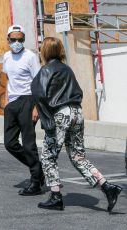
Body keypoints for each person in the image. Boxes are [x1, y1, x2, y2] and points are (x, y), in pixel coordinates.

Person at [31, 37, 122, 212]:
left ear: (44, 52)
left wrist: (48, 123)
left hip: (60, 115)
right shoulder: (67, 70)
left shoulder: (44, 71)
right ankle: (107, 187)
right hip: (77, 112)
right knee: (78, 157)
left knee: (48, 156)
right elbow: (77, 92)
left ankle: (56, 197)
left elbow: (39, 95)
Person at [3, 24, 44, 196]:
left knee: (28, 144)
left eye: (20, 39)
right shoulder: (6, 56)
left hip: (28, 101)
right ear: (8, 40)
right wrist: (6, 100)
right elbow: (8, 78)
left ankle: (35, 182)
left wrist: (36, 108)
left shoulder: (30, 57)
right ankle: (38, 169)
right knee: (10, 143)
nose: (17, 43)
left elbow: (38, 82)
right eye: (14, 40)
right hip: (12, 103)